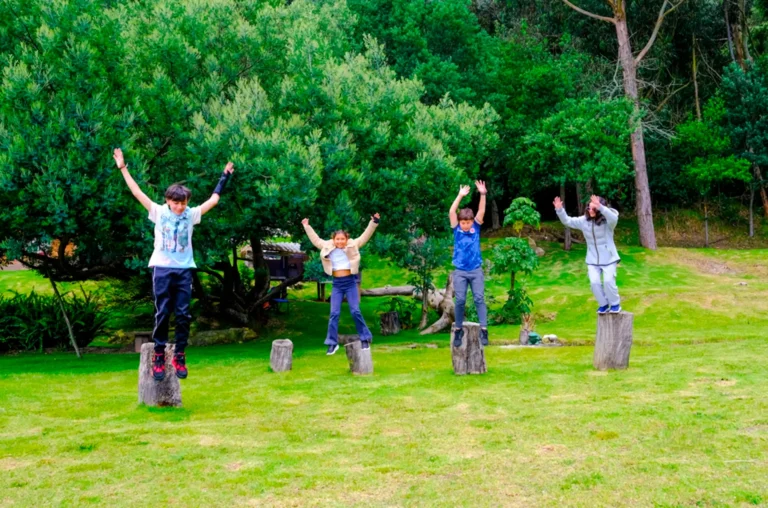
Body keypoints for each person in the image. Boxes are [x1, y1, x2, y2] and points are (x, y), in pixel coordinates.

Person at [113, 148, 233, 380]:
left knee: (183, 314)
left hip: (184, 270)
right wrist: (123, 167)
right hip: (161, 268)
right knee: (162, 312)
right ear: (168, 201)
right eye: (176, 203)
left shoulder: (191, 214)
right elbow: (137, 192)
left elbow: (214, 200)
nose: (180, 207)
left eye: (183, 203)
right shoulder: (158, 212)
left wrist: (224, 176)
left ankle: (179, 354)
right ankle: (158, 354)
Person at [302, 215, 380, 354]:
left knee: (355, 311)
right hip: (337, 284)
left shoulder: (353, 244)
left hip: (350, 283)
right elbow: (316, 240)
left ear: (346, 239)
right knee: (334, 313)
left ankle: (365, 338)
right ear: (333, 239)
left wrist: (374, 222)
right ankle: (332, 343)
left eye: (342, 239)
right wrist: (307, 226)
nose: (339, 241)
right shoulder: (327, 246)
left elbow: (365, 236)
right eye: (337, 239)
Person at [553, 194, 621, 314]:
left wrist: (600, 206)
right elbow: (567, 221)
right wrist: (559, 210)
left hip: (609, 258)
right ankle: (603, 304)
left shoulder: (608, 222)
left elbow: (614, 218)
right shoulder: (583, 221)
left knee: (608, 282)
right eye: (589, 208)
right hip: (592, 259)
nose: (590, 210)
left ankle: (615, 304)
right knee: (594, 283)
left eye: (594, 208)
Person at [449, 181, 488, 347]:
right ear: (460, 222)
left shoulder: (476, 228)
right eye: (463, 223)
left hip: (475, 270)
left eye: (468, 222)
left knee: (479, 298)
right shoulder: (456, 229)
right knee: (460, 300)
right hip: (460, 271)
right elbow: (452, 211)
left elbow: (481, 211)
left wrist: (483, 194)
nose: (465, 225)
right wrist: (460, 195)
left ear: (472, 221)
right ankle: (458, 329)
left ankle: (484, 329)